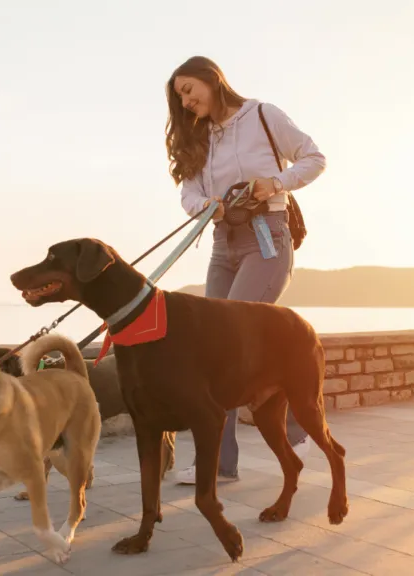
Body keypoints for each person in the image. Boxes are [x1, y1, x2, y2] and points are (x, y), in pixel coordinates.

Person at [164, 56, 327, 484]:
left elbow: (314, 157)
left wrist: (276, 183)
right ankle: (219, 463)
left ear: (211, 79)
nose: (185, 101)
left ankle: (294, 428)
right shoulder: (200, 138)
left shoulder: (262, 115)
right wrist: (205, 206)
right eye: (179, 97)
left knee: (228, 343)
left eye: (188, 90)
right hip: (223, 244)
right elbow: (190, 193)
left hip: (267, 239)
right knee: (209, 350)